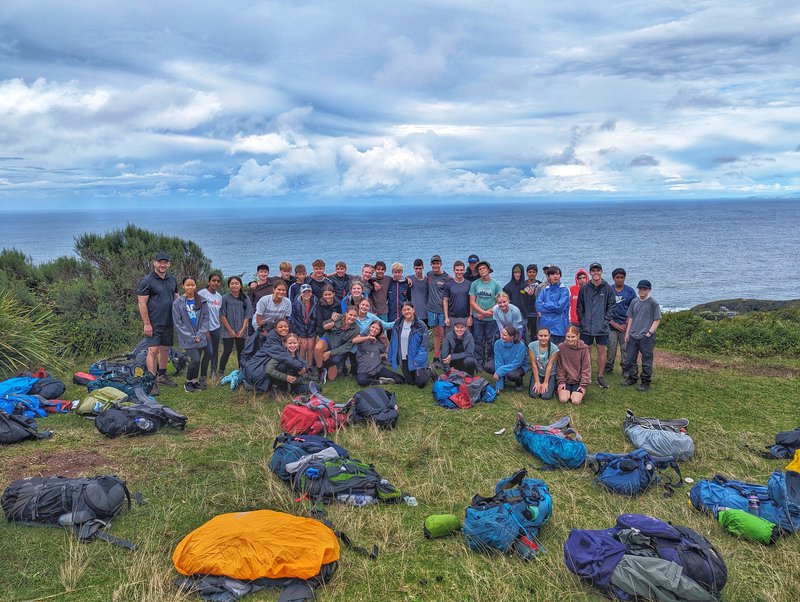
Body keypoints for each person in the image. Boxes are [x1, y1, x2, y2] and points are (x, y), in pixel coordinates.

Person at [136, 252, 179, 392]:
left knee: (165, 349)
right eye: (160, 262)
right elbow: (142, 303)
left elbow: (177, 299)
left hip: (169, 321)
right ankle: (151, 380)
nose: (163, 265)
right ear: (154, 263)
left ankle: (162, 375)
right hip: (153, 322)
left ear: (169, 264)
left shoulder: (172, 279)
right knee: (153, 350)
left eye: (165, 262)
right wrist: (147, 324)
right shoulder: (147, 280)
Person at [576, 262, 614, 389]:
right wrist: (582, 321)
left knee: (601, 351)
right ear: (590, 273)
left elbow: (611, 306)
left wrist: (605, 321)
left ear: (601, 272)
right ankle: (586, 375)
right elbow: (579, 307)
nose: (596, 273)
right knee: (586, 351)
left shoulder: (607, 288)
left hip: (601, 327)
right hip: (587, 327)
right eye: (593, 271)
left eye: (598, 270)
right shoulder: (585, 288)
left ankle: (600, 377)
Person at [172, 276, 210, 393]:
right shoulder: (178, 303)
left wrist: (200, 334)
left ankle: (194, 381)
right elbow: (178, 323)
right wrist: (191, 337)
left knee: (196, 360)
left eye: (192, 285)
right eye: (187, 285)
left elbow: (205, 319)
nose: (190, 287)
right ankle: (188, 382)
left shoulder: (202, 300)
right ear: (183, 286)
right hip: (188, 338)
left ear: (195, 286)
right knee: (196, 359)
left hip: (200, 337)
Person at [623, 280, 661, 392]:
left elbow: (657, 320)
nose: (641, 291)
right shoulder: (634, 302)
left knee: (647, 360)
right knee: (630, 359)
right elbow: (630, 318)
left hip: (646, 337)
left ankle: (645, 381)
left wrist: (649, 333)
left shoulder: (653, 303)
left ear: (649, 290)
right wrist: (627, 333)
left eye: (644, 289)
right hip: (633, 335)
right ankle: (632, 377)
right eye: (640, 289)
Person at [388, 302, 430, 388]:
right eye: (404, 310)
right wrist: (391, 356)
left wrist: (418, 359)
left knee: (420, 383)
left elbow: (425, 344)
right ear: (402, 312)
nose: (407, 312)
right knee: (410, 382)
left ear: (413, 310)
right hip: (404, 358)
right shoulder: (398, 324)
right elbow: (393, 341)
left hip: (417, 358)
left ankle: (429, 369)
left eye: (408, 309)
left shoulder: (420, 325)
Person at [469, 260, 502, 370]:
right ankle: (479, 363)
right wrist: (482, 313)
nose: (481, 270)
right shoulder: (475, 284)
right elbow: (472, 301)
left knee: (490, 341)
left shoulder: (496, 284)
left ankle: (490, 362)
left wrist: (487, 312)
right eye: (479, 269)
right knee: (478, 341)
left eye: (483, 268)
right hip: (478, 318)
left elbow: (499, 302)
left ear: (488, 270)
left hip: (491, 319)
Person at [314, 307, 359, 383]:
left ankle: (325, 364)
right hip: (328, 339)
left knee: (331, 378)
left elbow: (346, 347)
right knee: (318, 348)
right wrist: (326, 326)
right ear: (346, 313)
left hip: (339, 349)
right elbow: (324, 324)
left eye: (354, 316)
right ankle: (320, 371)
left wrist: (329, 353)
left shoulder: (355, 330)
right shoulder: (338, 317)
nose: (352, 317)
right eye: (350, 314)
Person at [605, 268, 636, 376]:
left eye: (622, 277)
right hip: (611, 325)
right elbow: (604, 308)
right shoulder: (608, 289)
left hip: (625, 326)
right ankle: (608, 368)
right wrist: (613, 323)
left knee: (625, 348)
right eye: (617, 277)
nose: (619, 280)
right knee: (611, 347)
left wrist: (626, 323)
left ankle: (625, 369)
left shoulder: (630, 291)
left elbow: (633, 308)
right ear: (613, 278)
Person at [219, 276, 253, 375]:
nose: (234, 285)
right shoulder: (224, 298)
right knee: (227, 350)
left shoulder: (245, 298)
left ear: (240, 285)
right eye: (232, 283)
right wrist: (230, 330)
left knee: (241, 351)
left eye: (236, 283)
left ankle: (241, 371)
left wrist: (243, 329)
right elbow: (222, 315)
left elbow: (247, 315)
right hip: (227, 330)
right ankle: (220, 371)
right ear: (228, 285)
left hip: (241, 329)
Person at [355, 321, 404, 386]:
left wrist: (386, 339)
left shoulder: (379, 342)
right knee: (361, 381)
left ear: (379, 332)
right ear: (369, 327)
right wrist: (368, 337)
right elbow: (354, 340)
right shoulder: (362, 337)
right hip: (364, 370)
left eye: (377, 329)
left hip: (378, 368)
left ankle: (380, 378)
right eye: (373, 327)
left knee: (400, 379)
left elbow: (388, 351)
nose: (374, 330)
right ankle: (380, 382)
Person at [197, 273, 223, 387]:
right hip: (204, 329)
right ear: (209, 282)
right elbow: (197, 311)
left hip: (216, 327)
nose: (215, 283)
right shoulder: (202, 294)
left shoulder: (219, 296)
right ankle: (202, 375)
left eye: (218, 281)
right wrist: (204, 328)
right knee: (208, 352)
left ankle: (213, 372)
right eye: (213, 280)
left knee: (215, 351)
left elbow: (218, 313)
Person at [556, 325, 591, 405]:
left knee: (575, 401)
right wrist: (561, 381)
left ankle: (577, 391)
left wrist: (583, 385)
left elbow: (586, 368)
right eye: (568, 337)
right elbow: (559, 366)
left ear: (578, 336)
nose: (570, 339)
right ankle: (566, 390)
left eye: (573, 337)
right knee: (563, 399)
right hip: (566, 380)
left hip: (578, 381)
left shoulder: (584, 348)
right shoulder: (561, 347)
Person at [488, 325, 528, 393]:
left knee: (511, 375)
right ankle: (502, 379)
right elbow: (498, 362)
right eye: (501, 333)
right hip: (504, 363)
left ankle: (519, 383)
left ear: (512, 337)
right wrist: (499, 386)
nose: (501, 336)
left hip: (518, 366)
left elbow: (517, 363)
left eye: (504, 335)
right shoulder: (498, 343)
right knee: (488, 366)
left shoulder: (521, 345)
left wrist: (499, 372)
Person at [536, 266, 570, 344]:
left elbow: (560, 307)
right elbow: (538, 306)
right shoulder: (544, 290)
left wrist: (546, 304)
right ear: (548, 276)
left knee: (560, 353)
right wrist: (554, 306)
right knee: (547, 352)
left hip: (560, 327)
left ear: (560, 276)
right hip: (546, 326)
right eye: (552, 274)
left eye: (557, 274)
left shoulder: (564, 291)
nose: (555, 276)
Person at [426, 254, 450, 362]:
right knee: (435, 333)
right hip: (431, 309)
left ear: (441, 264)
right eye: (433, 263)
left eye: (437, 263)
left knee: (443, 334)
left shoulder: (447, 277)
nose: (435, 265)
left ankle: (444, 355)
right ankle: (436, 356)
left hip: (442, 310)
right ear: (431, 264)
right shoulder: (429, 274)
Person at [290, 283, 318, 368]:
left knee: (310, 346)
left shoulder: (316, 302)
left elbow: (315, 319)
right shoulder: (296, 303)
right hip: (300, 328)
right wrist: (302, 335)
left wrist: (310, 334)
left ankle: (309, 366)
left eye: (308, 292)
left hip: (312, 328)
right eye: (304, 292)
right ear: (301, 293)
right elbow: (296, 320)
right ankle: (301, 366)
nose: (306, 294)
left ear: (311, 293)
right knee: (303, 346)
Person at [528, 326, 559, 399]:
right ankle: (538, 382)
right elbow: (534, 364)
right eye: (541, 336)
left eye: (545, 336)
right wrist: (537, 381)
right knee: (534, 395)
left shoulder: (554, 348)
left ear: (549, 335)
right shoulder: (532, 345)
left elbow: (549, 366)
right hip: (538, 372)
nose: (543, 338)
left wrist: (545, 382)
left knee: (546, 396)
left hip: (550, 373)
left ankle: (553, 384)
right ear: (537, 335)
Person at [443, 260, 472, 329]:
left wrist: (470, 316)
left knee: (466, 338)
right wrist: (446, 317)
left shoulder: (469, 284)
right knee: (451, 338)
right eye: (457, 270)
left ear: (464, 270)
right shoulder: (448, 284)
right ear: (453, 270)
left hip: (466, 317)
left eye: (461, 270)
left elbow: (472, 302)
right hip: (452, 318)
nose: (459, 272)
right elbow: (445, 300)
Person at [522, 264, 541, 340]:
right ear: (527, 273)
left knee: (535, 334)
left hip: (536, 313)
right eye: (530, 272)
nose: (532, 274)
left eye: (533, 272)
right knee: (525, 334)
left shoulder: (540, 284)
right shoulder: (523, 284)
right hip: (526, 313)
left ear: (536, 273)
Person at [407, 259, 429, 325]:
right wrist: (406, 279)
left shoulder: (427, 280)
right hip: (413, 313)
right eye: (416, 268)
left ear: (423, 267)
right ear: (413, 268)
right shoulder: (409, 278)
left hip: (425, 313)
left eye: (420, 268)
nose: (418, 271)